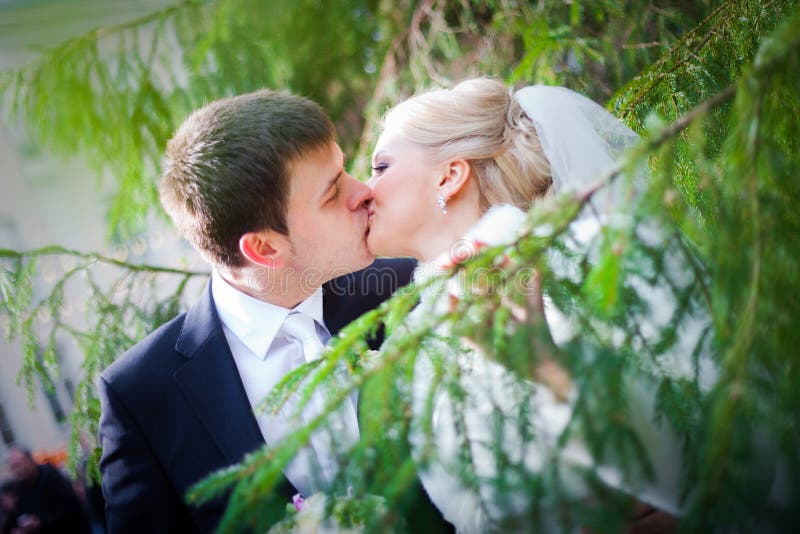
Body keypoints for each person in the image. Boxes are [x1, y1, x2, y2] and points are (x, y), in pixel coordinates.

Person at [364, 78, 709, 532]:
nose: (365, 190)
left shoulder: (595, 256)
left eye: (382, 166)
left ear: (449, 175)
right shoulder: (415, 341)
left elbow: (714, 439)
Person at [98, 89, 448, 532]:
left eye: (345, 170)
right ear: (264, 248)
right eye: (332, 191)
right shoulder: (143, 395)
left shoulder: (414, 288)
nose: (365, 192)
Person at [4, 446, 90, 534]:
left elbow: (69, 505)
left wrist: (41, 521)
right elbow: (18, 516)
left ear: (30, 460)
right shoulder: (19, 488)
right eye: (13, 467)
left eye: (18, 465)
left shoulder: (49, 475)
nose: (17, 470)